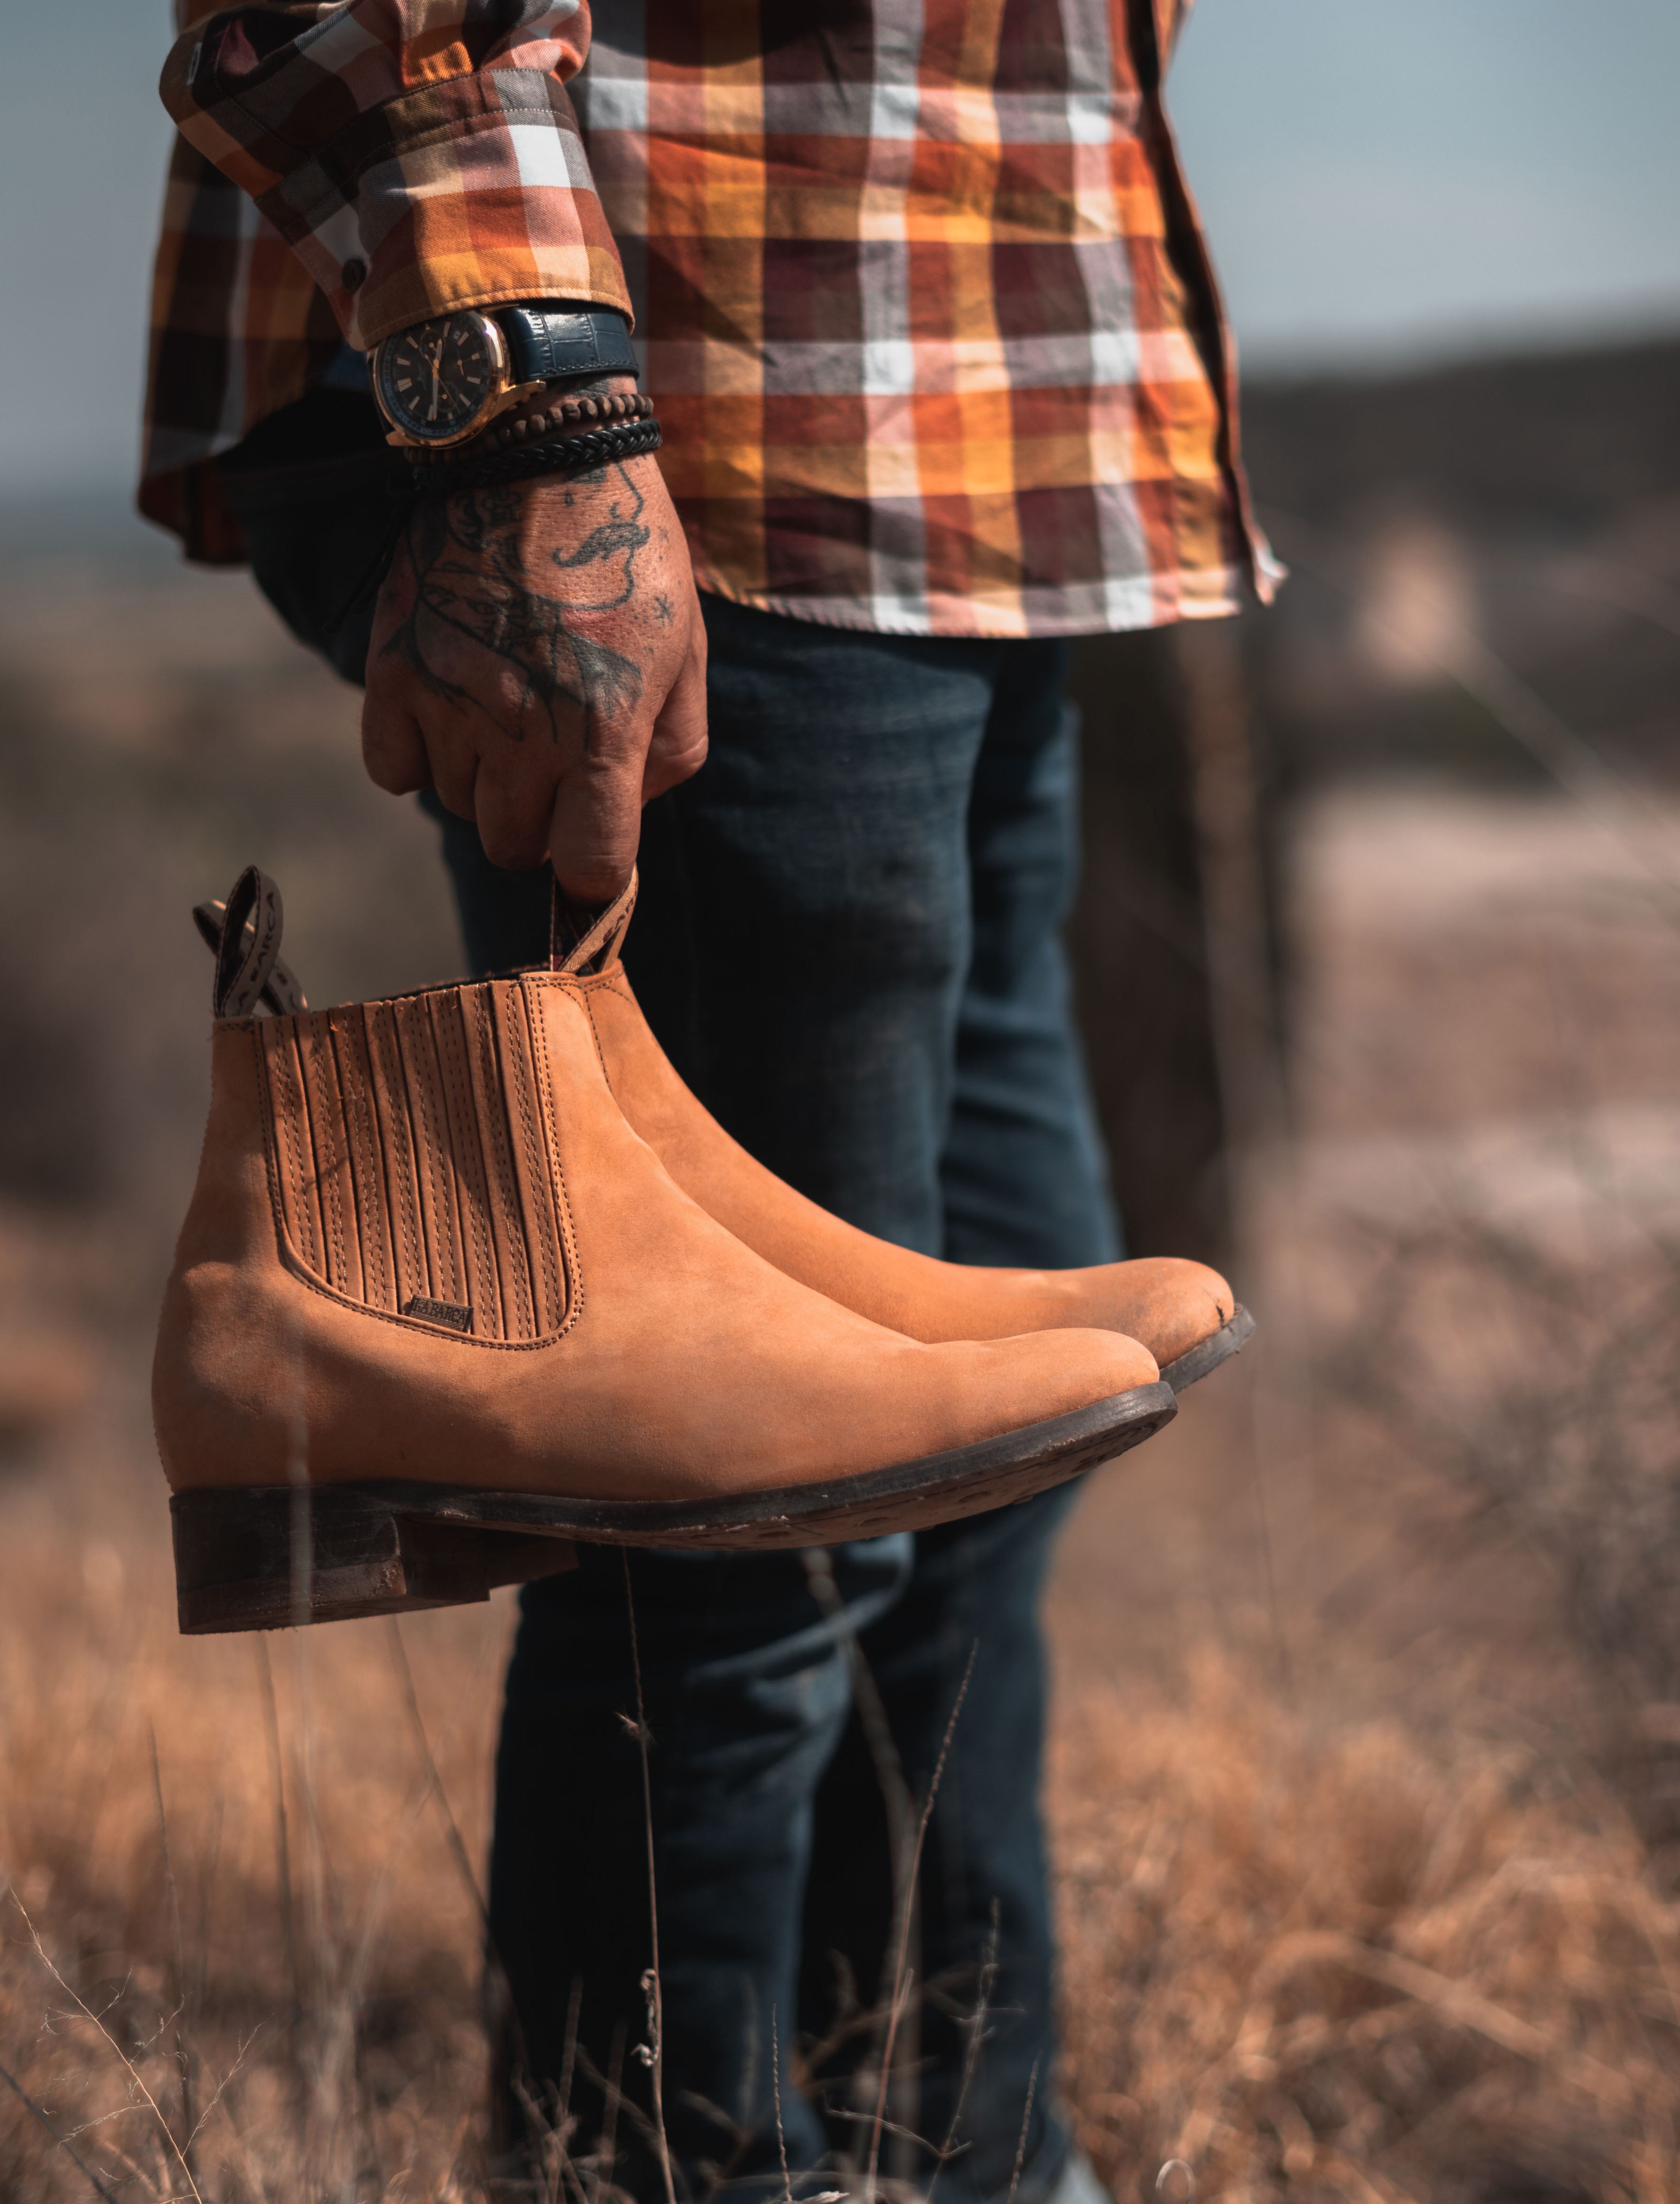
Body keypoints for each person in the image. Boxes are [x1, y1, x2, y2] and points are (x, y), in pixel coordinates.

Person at [139, 5, 1275, 2198]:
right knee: (741, 1522)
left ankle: (959, 2158)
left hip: (968, 417)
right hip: (680, 379)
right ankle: (663, 2170)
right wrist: (534, 415)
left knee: (990, 1433)